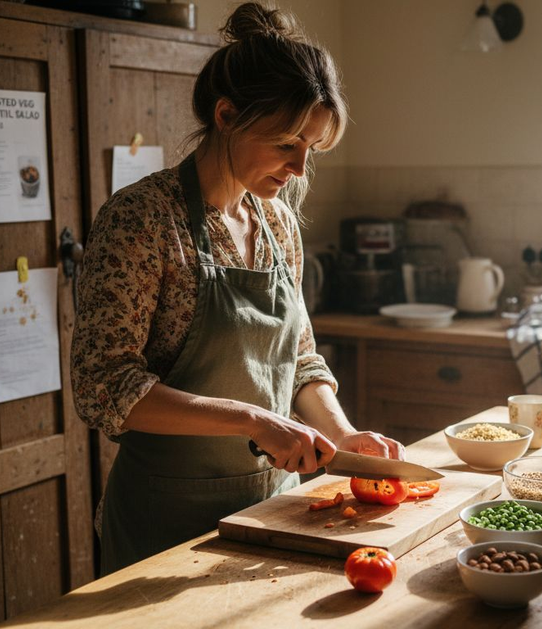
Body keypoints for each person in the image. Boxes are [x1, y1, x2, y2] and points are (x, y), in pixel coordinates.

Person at [70, 2, 403, 576]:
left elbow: (298, 361)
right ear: (227, 116)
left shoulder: (277, 226)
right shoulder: (143, 220)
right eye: (286, 144)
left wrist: (345, 437)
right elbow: (103, 386)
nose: (299, 168)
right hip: (163, 520)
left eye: (312, 150)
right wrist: (252, 420)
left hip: (272, 509)